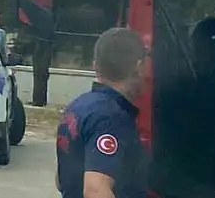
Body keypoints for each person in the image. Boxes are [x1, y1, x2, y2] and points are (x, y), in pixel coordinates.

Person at [56, 27, 149, 198]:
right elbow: (95, 190)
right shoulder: (112, 117)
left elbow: (61, 178)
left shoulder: (77, 107)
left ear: (95, 65)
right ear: (139, 66)